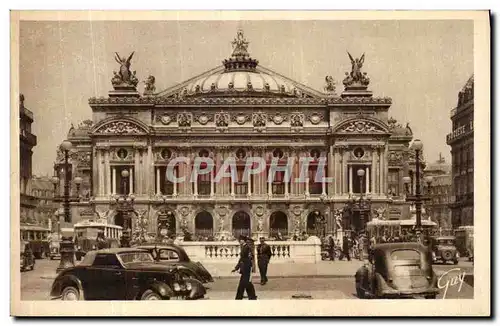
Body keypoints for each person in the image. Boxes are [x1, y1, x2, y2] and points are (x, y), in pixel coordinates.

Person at [232, 235, 257, 300]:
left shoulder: (246, 247)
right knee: (246, 283)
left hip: (246, 268)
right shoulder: (244, 247)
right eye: (239, 240)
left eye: (240, 240)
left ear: (243, 240)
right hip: (245, 268)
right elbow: (242, 259)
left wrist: (238, 267)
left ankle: (239, 297)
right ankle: (252, 296)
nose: (239, 241)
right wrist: (236, 268)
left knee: (244, 283)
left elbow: (247, 258)